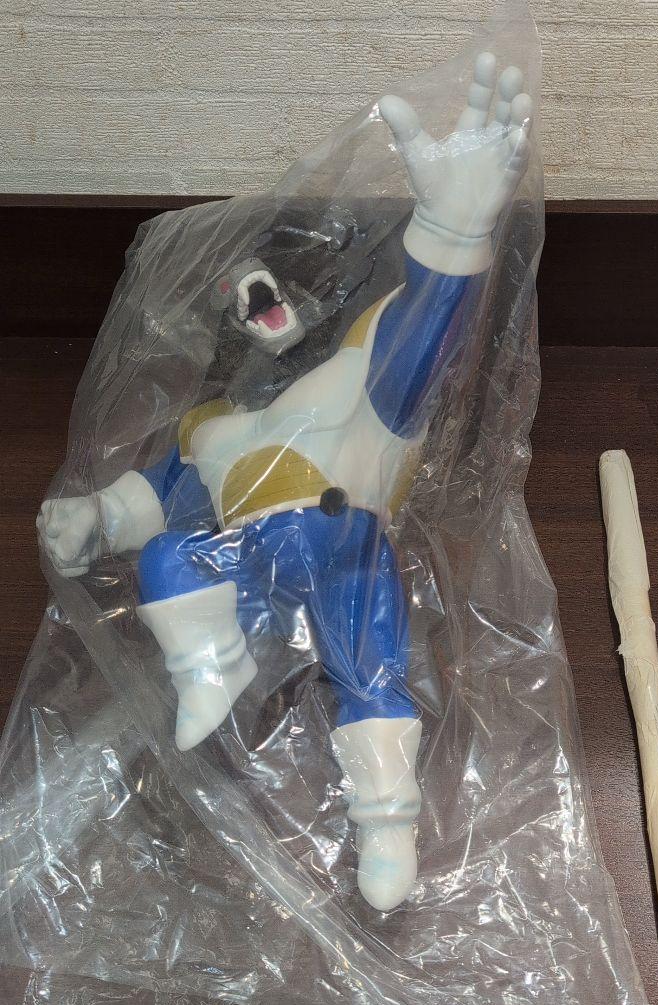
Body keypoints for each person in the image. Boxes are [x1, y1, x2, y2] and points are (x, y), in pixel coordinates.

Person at [37, 53, 532, 912]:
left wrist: (451, 231)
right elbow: (152, 497)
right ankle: (210, 672)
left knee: (369, 675)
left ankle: (387, 826)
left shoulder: (357, 374)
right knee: (168, 557)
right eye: (232, 294)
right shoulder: (210, 426)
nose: (252, 299)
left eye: (265, 283)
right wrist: (93, 517)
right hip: (251, 568)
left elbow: (426, 328)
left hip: (345, 544)